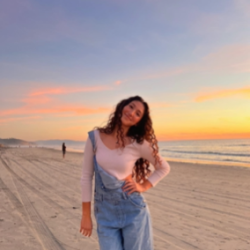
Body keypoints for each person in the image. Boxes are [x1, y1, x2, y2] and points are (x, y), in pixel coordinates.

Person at [80, 96, 170, 250]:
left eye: (138, 114)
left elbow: (164, 167)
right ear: (122, 107)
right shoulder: (94, 138)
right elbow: (86, 177)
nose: (132, 113)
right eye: (131, 107)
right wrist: (85, 216)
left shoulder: (139, 144)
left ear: (138, 122)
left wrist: (143, 186)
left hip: (133, 211)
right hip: (105, 214)